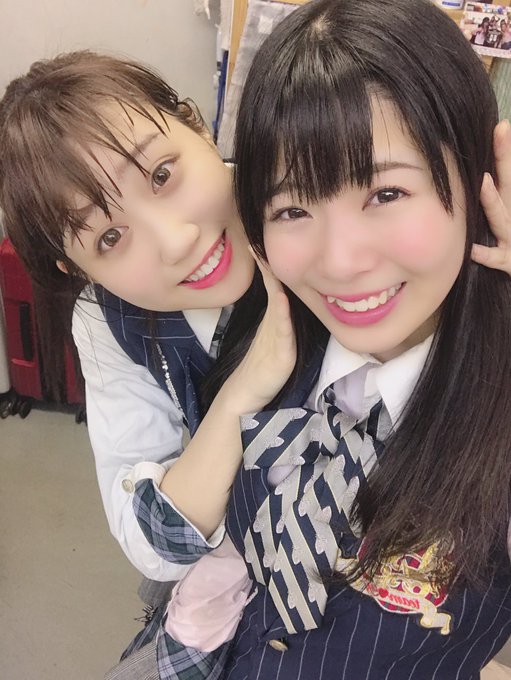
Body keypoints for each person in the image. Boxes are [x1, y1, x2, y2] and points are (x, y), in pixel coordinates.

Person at [1, 27, 511, 680]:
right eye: (108, 239)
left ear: (196, 126)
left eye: (162, 174)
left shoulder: (344, 258)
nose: (177, 240)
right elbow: (155, 542)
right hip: (226, 599)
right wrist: (244, 391)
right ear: (73, 270)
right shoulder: (110, 320)